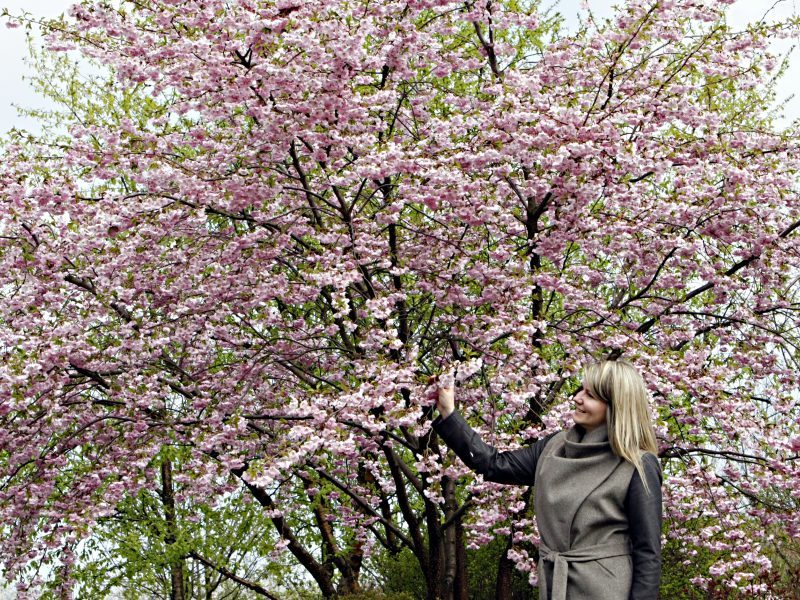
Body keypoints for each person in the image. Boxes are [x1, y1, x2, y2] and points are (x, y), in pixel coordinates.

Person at [433, 359, 662, 600]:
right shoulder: (554, 447)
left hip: (608, 589)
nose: (578, 398)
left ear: (616, 406)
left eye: (591, 395)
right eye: (581, 389)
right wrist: (449, 413)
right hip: (556, 586)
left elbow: (648, 553)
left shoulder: (637, 464)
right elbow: (493, 464)